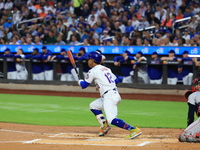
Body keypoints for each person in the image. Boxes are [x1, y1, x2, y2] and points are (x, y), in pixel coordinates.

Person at [78, 51, 142, 139]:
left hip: (109, 97)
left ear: (92, 60)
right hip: (112, 94)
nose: (88, 61)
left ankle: (134, 130)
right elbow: (116, 81)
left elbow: (84, 85)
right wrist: (101, 84)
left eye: (89, 59)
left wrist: (80, 81)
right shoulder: (106, 69)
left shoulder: (92, 71)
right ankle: (105, 126)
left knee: (111, 119)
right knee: (93, 106)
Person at [179, 78, 200, 142]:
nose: (196, 86)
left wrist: (189, 125)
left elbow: (191, 115)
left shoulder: (194, 95)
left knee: (183, 136)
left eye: (197, 84)